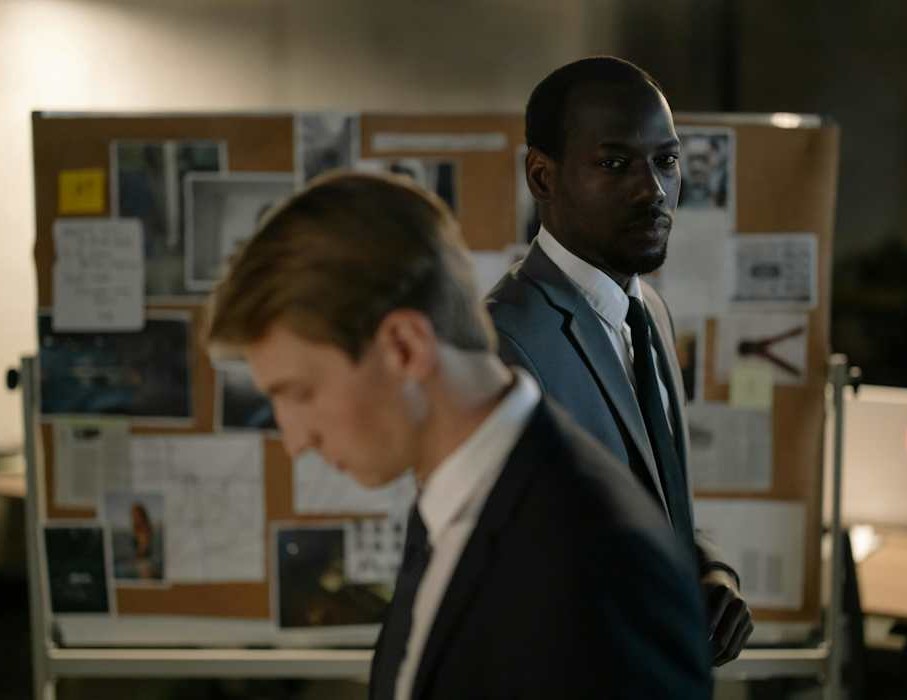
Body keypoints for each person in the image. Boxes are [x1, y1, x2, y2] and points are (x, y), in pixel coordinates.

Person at [207, 172, 711, 698]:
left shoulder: (604, 560)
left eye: (301, 392)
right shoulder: (449, 508)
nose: (295, 442)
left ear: (404, 346)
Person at [487, 56, 753, 666]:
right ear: (542, 177)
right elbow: (510, 575)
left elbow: (648, 503)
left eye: (666, 161)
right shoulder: (504, 342)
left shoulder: (649, 310)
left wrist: (708, 570)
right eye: (614, 164)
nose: (653, 190)